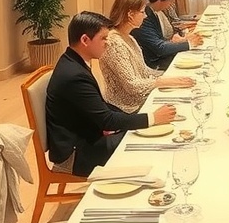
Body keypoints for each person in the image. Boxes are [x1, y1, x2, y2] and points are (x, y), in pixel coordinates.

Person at [46, 11, 176, 176]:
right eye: (103, 38)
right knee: (145, 141)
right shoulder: (73, 75)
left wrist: (140, 118)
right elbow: (107, 120)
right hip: (76, 153)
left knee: (142, 132)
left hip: (86, 138)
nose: (108, 43)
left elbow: (99, 110)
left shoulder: (73, 61)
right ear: (85, 40)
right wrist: (152, 118)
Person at [100, 0, 196, 112]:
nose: (145, 16)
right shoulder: (115, 43)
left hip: (141, 99)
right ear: (130, 15)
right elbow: (133, 86)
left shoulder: (129, 38)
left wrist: (171, 76)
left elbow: (145, 71)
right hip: (127, 108)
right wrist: (162, 81)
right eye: (142, 12)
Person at [132, 0, 203, 71]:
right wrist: (189, 43)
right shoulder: (144, 16)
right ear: (160, 1)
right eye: (170, 1)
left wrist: (177, 41)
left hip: (159, 57)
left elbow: (158, 39)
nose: (170, 5)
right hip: (154, 64)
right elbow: (160, 48)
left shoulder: (151, 11)